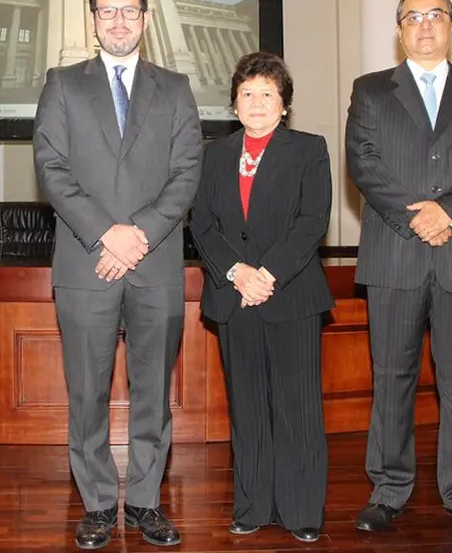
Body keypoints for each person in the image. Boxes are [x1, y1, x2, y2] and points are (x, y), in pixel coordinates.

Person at [32, 0, 203, 550]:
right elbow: (52, 169)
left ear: (146, 18)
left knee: (154, 392)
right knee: (88, 393)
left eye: (129, 10)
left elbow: (186, 174)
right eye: (107, 12)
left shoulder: (176, 88)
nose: (119, 20)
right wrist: (107, 235)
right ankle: (101, 505)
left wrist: (140, 236)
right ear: (94, 19)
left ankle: (148, 502)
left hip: (155, 265)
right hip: (86, 264)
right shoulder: (61, 84)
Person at [345, 0, 452, 535]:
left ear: (450, 25)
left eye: (434, 15)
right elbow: (363, 163)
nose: (423, 25)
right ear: (399, 30)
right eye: (411, 17)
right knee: (391, 376)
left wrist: (450, 214)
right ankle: (388, 490)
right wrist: (416, 217)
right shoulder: (370, 91)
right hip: (394, 253)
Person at [188, 51, 334, 544]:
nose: (256, 102)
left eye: (267, 94)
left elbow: (312, 222)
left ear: (284, 104)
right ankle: (251, 504)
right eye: (247, 93)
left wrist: (265, 274)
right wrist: (237, 273)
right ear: (233, 104)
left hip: (289, 294)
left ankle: (301, 509)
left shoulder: (309, 149)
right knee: (247, 408)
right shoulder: (213, 155)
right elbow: (202, 223)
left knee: (297, 408)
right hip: (234, 298)